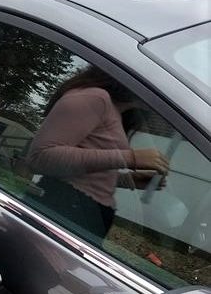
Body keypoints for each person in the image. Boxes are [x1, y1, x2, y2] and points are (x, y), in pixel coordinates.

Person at [24, 66, 169, 242]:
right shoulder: (96, 97)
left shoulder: (116, 111)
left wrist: (126, 180)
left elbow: (83, 172)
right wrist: (130, 158)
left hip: (83, 211)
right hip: (65, 208)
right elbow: (39, 158)